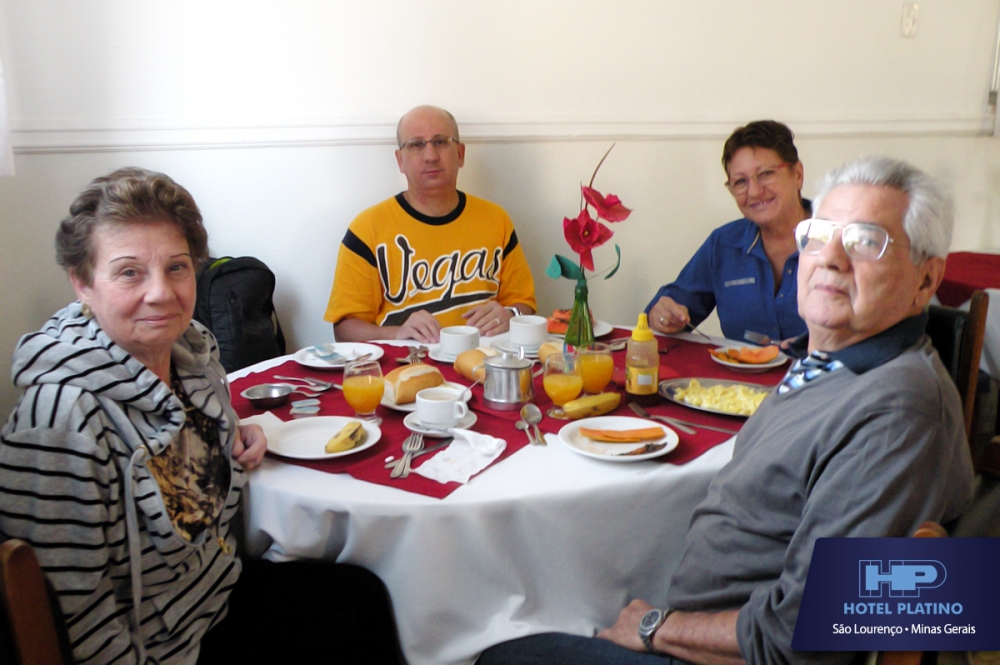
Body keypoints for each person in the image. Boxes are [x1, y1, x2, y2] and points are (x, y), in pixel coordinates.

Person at [480, 156, 975, 665]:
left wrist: (656, 628)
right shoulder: (829, 363)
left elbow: (807, 639)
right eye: (820, 234)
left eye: (865, 241)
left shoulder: (899, 412)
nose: (830, 258)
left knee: (498, 651)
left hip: (712, 649)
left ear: (925, 280)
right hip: (700, 609)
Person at [0, 168, 402, 664]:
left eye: (177, 267)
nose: (161, 293)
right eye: (129, 272)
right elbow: (74, 619)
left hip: (215, 597)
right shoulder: (60, 421)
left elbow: (186, 447)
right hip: (159, 649)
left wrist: (233, 431)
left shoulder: (191, 352)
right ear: (83, 283)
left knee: (363, 595)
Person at [325, 105, 536, 344]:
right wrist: (397, 333)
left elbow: (525, 305)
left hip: (483, 360)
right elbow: (344, 330)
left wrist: (511, 314)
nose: (430, 156)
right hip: (406, 363)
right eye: (416, 144)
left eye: (441, 142)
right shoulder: (366, 230)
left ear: (460, 154)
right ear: (400, 160)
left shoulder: (496, 220)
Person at [646, 120, 810, 343]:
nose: (754, 191)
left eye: (765, 174)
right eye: (740, 182)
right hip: (739, 367)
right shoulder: (724, 244)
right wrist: (663, 314)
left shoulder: (839, 239)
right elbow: (676, 302)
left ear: (798, 174)